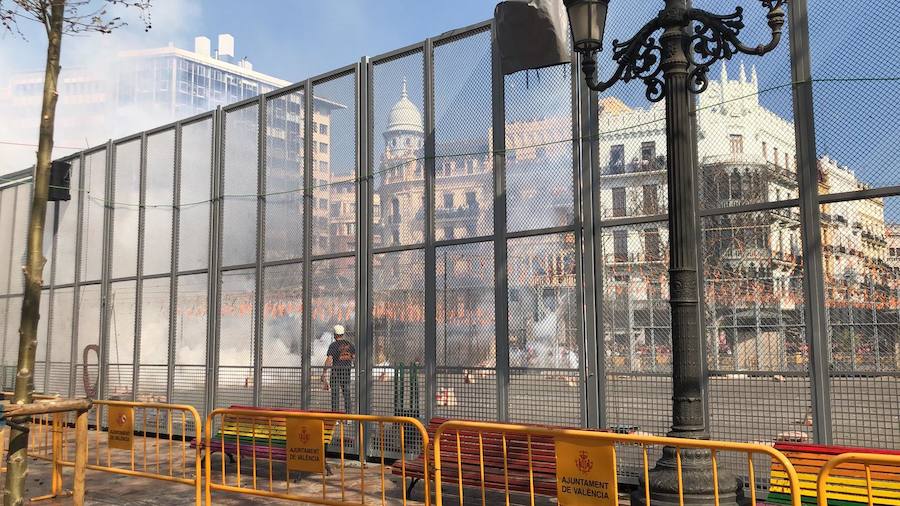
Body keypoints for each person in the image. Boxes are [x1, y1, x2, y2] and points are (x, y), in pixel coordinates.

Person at [321, 325, 355, 413]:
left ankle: (335, 416)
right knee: (347, 394)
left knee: (335, 395)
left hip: (336, 373)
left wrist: (324, 372)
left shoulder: (333, 345)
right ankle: (349, 416)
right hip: (346, 372)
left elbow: (329, 359)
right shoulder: (349, 344)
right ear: (343, 334)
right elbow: (354, 357)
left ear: (335, 334)